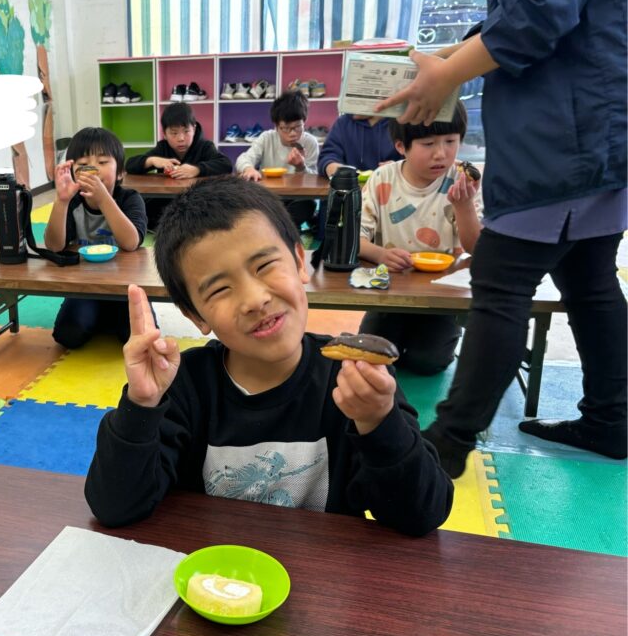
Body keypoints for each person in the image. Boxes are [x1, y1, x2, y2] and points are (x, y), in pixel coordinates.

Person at [83, 177, 453, 536]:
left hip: (322, 572)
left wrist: (378, 422)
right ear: (195, 316)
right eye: (220, 289)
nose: (255, 299)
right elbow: (116, 508)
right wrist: (141, 406)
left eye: (264, 266)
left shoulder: (354, 382)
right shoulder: (183, 388)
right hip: (214, 569)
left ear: (299, 260)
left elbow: (423, 514)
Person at [377, 0, 627, 473]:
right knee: (589, 279)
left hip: (560, 138)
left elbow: (537, 11)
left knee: (501, 283)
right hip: (601, 128)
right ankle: (611, 419)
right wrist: (444, 59)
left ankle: (448, 442)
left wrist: (448, 73)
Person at [358, 102, 483, 375]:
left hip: (442, 294)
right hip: (389, 292)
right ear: (401, 146)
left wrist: (464, 206)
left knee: (427, 362)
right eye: (428, 144)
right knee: (371, 355)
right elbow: (356, 238)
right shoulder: (382, 179)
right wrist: (380, 254)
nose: (441, 153)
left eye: (450, 141)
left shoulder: (462, 179)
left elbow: (478, 248)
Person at [45, 127, 148, 349]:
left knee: (136, 337)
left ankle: (104, 318)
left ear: (120, 172)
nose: (92, 169)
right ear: (73, 171)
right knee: (67, 335)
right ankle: (95, 316)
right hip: (85, 286)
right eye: (83, 164)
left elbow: (131, 243)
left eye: (102, 162)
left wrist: (103, 199)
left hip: (125, 286)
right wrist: (61, 201)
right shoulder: (72, 202)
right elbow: (54, 246)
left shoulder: (130, 199)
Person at [125, 102, 232, 230]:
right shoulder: (162, 148)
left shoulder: (205, 146)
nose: (181, 138)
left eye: (186, 131)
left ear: (194, 129)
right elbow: (130, 165)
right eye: (174, 133)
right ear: (165, 134)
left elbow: (226, 164)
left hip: (197, 202)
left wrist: (197, 169)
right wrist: (152, 160)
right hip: (168, 203)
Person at [235, 90, 321, 230]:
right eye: (285, 128)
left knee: (307, 205)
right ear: (276, 126)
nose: (292, 133)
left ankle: (277, 231)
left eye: (297, 127)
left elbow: (314, 181)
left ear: (304, 122)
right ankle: (282, 232)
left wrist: (301, 167)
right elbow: (243, 158)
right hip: (270, 196)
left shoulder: (310, 142)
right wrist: (249, 168)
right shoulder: (267, 138)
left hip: (297, 198)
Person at [317, 114, 403, 178]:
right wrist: (332, 166)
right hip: (349, 190)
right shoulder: (343, 123)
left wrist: (400, 167)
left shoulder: (401, 122)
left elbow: (409, 158)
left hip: (391, 189)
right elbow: (327, 156)